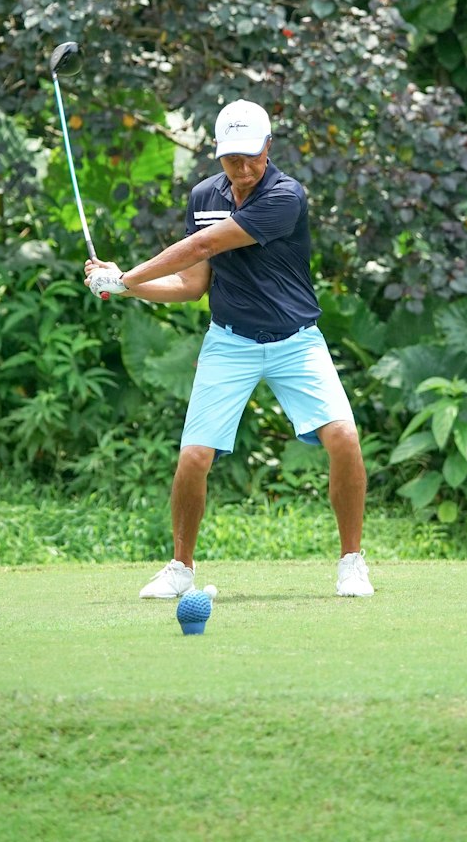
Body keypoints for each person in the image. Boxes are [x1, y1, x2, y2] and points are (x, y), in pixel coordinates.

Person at [84, 98, 374, 599]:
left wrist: (127, 274)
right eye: (230, 158)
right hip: (229, 343)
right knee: (193, 457)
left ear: (268, 147)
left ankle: (352, 562)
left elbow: (204, 247)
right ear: (217, 153)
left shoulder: (285, 195)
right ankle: (180, 567)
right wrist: (122, 289)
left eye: (250, 156)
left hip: (295, 342)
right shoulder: (204, 196)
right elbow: (193, 283)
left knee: (344, 439)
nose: (241, 168)